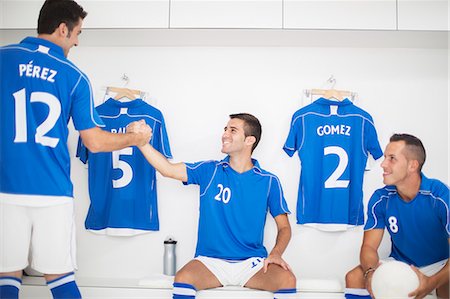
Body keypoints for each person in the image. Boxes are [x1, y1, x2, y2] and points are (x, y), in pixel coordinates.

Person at [0, 0, 151, 298]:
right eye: (78, 33)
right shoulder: (74, 76)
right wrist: (133, 139)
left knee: (7, 278)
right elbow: (95, 142)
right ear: (62, 29)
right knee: (60, 279)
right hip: (52, 192)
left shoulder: (4, 58)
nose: (78, 41)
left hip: (5, 188)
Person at [128, 113, 297, 299]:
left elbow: (284, 227)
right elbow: (168, 170)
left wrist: (276, 253)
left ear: (250, 140)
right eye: (225, 129)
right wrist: (142, 143)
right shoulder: (209, 170)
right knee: (183, 278)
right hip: (210, 262)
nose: (225, 134)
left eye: (233, 130)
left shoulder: (269, 181)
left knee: (287, 280)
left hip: (252, 263)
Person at [344, 134, 449, 299]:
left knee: (448, 284)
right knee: (354, 277)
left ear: (412, 165)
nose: (383, 164)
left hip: (440, 264)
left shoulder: (440, 196)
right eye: (385, 157)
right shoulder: (381, 199)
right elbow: (368, 247)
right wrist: (370, 273)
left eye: (392, 158)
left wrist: (432, 282)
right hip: (401, 264)